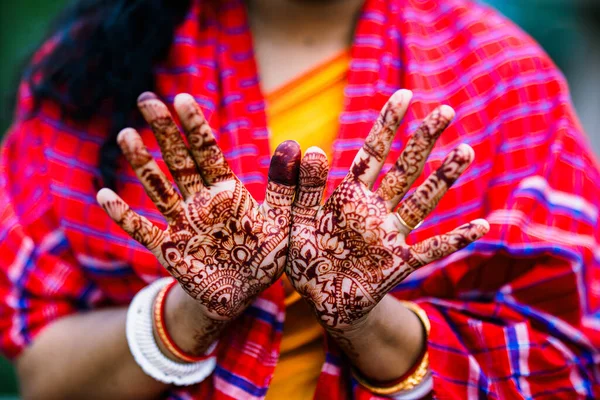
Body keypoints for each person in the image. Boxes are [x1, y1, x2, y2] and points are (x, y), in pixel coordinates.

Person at [0, 0, 598, 399]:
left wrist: (372, 325)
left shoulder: (501, 76)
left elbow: (571, 361)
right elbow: (43, 372)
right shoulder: (95, 71)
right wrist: (186, 314)